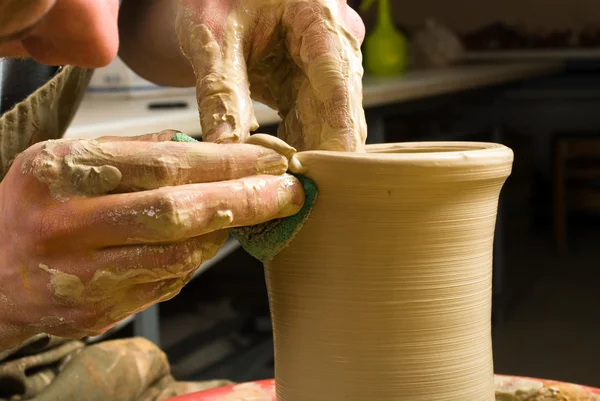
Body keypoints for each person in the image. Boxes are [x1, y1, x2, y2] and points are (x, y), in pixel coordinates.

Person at [0, 1, 365, 398]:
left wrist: (201, 17)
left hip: (47, 369)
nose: (100, 52)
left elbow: (129, 24)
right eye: (16, 22)